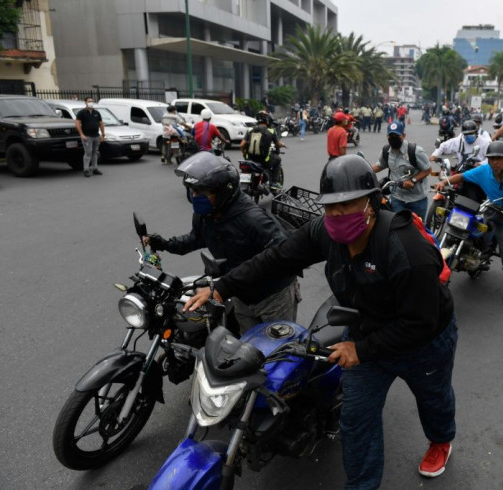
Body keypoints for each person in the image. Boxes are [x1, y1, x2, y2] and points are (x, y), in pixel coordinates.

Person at [184, 155, 458, 488]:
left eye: (348, 204)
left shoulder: (406, 249)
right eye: (330, 207)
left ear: (371, 203)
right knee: (356, 419)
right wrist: (222, 287)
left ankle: (441, 440)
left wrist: (363, 349)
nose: (338, 215)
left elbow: (421, 322)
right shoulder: (325, 232)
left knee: (433, 397)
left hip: (424, 340)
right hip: (367, 329)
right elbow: (278, 257)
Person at [144, 152, 300, 334]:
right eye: (192, 191)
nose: (195, 196)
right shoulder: (206, 215)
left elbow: (283, 258)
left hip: (273, 296)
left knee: (278, 352)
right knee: (249, 349)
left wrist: (228, 284)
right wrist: (165, 244)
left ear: (222, 191)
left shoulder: (253, 219)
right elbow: (195, 238)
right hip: (240, 293)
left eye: (201, 192)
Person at [435, 141, 503, 303]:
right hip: (501, 221)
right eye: (491, 158)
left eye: (499, 158)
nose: (495, 162)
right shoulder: (484, 171)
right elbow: (462, 176)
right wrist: (444, 181)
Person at [371, 121, 432, 219]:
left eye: (396, 136)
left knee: (418, 230)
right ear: (387, 136)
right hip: (397, 198)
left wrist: (413, 180)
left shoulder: (415, 151)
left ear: (403, 135)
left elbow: (428, 169)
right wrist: (366, 170)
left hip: (417, 199)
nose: (393, 138)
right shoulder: (386, 151)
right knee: (397, 228)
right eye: (391, 136)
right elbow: (380, 165)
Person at [241, 110, 285, 191]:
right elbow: (277, 144)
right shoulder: (271, 131)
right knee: (278, 159)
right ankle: (274, 183)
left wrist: (244, 154)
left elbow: (242, 145)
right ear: (267, 120)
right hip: (264, 161)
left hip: (250, 159)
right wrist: (281, 144)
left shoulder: (250, 129)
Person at [75, 96, 104, 177]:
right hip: (87, 136)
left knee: (95, 152)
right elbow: (77, 124)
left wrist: (102, 134)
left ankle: (94, 168)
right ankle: (86, 169)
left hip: (96, 136)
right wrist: (81, 134)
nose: (91, 103)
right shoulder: (81, 112)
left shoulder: (96, 113)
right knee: (88, 153)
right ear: (85, 102)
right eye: (89, 101)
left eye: (92, 101)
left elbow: (101, 124)